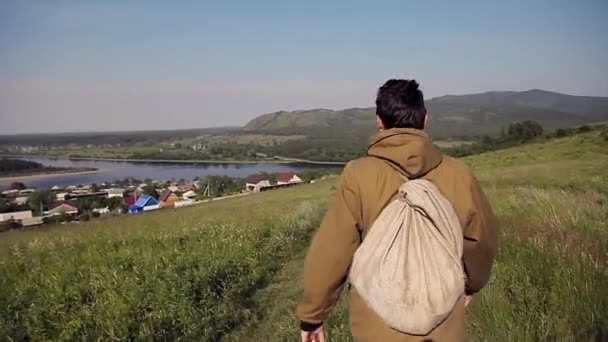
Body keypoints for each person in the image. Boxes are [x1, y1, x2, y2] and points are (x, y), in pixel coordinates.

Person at [297, 79, 497, 342]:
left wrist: (313, 316)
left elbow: (333, 248)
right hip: (444, 320)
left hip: (377, 323)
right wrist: (471, 284)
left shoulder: (359, 175)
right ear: (425, 120)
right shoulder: (459, 175)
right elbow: (480, 240)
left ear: (379, 121)